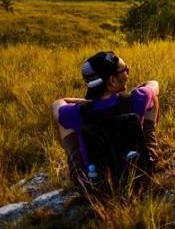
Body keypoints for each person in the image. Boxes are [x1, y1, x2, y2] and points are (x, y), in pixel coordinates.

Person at [51, 51, 160, 190]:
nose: (128, 71)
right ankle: (150, 150)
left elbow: (57, 103)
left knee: (64, 120)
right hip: (141, 173)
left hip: (97, 186)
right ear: (112, 81)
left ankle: (80, 173)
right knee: (153, 99)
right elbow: (153, 84)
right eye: (124, 69)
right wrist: (135, 92)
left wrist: (86, 103)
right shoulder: (137, 99)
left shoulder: (78, 112)